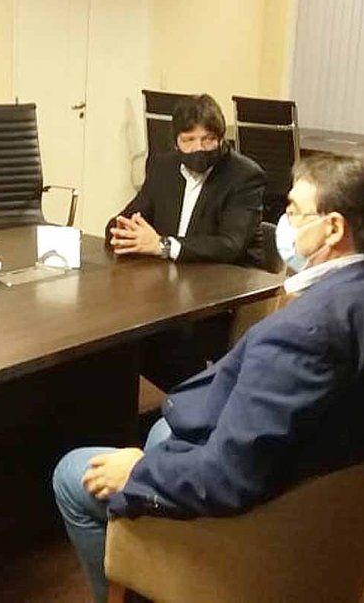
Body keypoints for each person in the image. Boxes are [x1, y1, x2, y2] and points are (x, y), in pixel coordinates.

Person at [53, 152, 364, 602]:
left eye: (294, 210)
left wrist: (139, 470)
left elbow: (227, 476)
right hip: (323, 493)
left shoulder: (306, 331)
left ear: (333, 228)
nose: (282, 223)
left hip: (260, 524)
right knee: (162, 428)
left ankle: (139, 584)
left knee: (71, 472)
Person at [108, 94, 267, 390]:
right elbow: (126, 217)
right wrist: (123, 233)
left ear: (221, 139)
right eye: (189, 140)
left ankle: (181, 403)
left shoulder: (244, 175)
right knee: (117, 326)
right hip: (169, 284)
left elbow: (231, 244)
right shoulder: (162, 166)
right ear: (176, 143)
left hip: (222, 292)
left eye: (208, 140)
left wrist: (163, 245)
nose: (198, 148)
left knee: (170, 339)